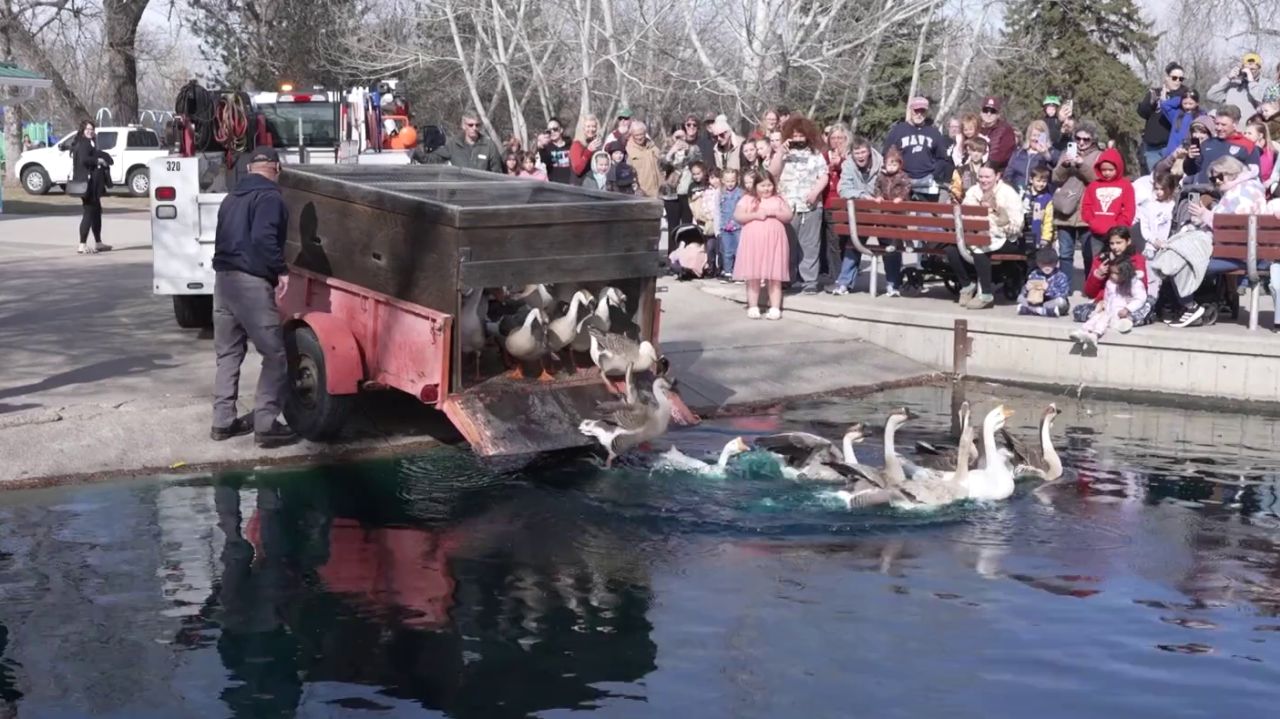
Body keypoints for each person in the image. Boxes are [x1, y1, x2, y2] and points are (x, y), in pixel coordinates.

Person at [210, 146, 296, 448]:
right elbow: (263, 238)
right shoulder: (271, 197)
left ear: (249, 170)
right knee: (274, 355)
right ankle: (266, 425)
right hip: (250, 284)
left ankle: (222, 422)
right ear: (276, 168)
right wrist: (281, 271)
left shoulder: (230, 198)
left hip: (223, 283)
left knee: (228, 354)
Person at [947, 162, 1023, 310]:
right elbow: (966, 215)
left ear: (997, 176)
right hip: (976, 235)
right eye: (981, 176)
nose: (983, 180)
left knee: (981, 247)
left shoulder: (1008, 193)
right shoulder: (973, 191)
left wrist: (996, 221)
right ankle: (967, 285)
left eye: (987, 177)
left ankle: (986, 294)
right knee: (951, 249)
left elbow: (1017, 225)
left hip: (1005, 239)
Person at [768, 115, 828, 294]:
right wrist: (780, 152)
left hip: (810, 206)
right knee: (788, 244)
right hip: (787, 206)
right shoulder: (782, 154)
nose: (798, 140)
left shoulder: (816, 154)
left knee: (810, 244)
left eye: (802, 136)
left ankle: (809, 281)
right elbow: (772, 173)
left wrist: (815, 192)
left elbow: (824, 175)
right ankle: (788, 278)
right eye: (795, 136)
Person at [733, 170, 793, 319]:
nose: (766, 189)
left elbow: (788, 216)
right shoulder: (748, 199)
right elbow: (738, 216)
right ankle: (753, 306)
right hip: (753, 242)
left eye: (769, 185)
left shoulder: (778, 199)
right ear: (755, 186)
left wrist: (775, 213)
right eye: (762, 185)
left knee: (774, 276)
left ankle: (774, 307)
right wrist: (755, 215)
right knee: (753, 276)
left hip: (774, 242)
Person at [1051, 123, 1102, 283]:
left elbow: (1097, 179)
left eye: (1085, 140)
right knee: (1065, 253)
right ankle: (1064, 286)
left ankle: (1089, 285)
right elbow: (1055, 179)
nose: (1081, 143)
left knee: (1088, 253)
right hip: (1065, 209)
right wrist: (1065, 165)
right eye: (1078, 138)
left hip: (1086, 210)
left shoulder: (1099, 156)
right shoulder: (1066, 153)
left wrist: (1082, 165)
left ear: (1092, 140)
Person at [833, 137, 884, 295]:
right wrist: (862, 195)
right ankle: (844, 282)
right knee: (853, 243)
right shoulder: (848, 165)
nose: (861, 156)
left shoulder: (881, 164)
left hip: (882, 210)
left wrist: (878, 197)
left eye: (863, 152)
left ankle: (893, 283)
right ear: (853, 154)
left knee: (889, 242)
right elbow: (843, 189)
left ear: (869, 151)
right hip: (862, 212)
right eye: (857, 153)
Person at [1075, 226, 1151, 324]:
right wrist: (1098, 275)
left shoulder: (1137, 259)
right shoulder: (1101, 260)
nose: (1115, 247)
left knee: (1148, 305)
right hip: (1106, 303)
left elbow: (1142, 287)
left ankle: (1127, 320)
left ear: (1128, 241)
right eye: (1112, 243)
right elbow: (1089, 293)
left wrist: (1125, 273)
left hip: (1129, 302)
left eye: (1119, 243)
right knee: (1079, 311)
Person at [882, 96, 953, 201]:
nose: (919, 114)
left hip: (926, 180)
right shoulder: (898, 130)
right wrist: (896, 173)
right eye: (916, 111)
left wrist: (933, 174)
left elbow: (942, 158)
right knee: (901, 214)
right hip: (902, 179)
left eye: (922, 111)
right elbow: (886, 154)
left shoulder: (934, 133)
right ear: (911, 110)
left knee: (926, 215)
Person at [1069, 258, 1147, 349]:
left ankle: (1095, 335)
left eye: (1116, 273)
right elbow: (1107, 297)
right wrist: (1103, 305)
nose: (1113, 276)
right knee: (1096, 317)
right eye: (1111, 273)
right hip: (1109, 309)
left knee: (1104, 319)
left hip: (1121, 313)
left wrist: (1128, 309)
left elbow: (1140, 299)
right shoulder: (1110, 283)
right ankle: (1083, 331)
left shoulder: (1134, 284)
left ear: (1125, 274)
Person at [1183, 105, 1261, 183]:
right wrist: (1190, 158)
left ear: (1235, 124)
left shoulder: (1248, 146)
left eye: (1223, 125)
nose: (1219, 128)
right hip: (1202, 191)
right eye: (1217, 124)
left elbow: (1253, 176)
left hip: (1229, 193)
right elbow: (1190, 171)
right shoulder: (1207, 144)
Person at [70, 120, 113, 254]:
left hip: (91, 184)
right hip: (88, 185)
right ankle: (82, 245)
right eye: (88, 129)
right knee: (89, 213)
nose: (90, 131)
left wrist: (102, 156)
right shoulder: (84, 143)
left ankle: (98, 242)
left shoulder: (87, 143)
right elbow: (84, 159)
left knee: (96, 213)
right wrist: (98, 160)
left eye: (92, 129)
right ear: (83, 130)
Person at [1138, 63, 1187, 173]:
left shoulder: (1184, 97)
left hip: (1171, 147)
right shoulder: (1155, 93)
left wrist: (1166, 103)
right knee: (1155, 178)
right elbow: (1142, 113)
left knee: (1170, 180)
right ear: (1167, 78)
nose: (1177, 81)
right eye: (1174, 78)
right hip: (1152, 147)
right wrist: (1151, 103)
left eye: (1181, 79)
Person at [1081, 147, 1135, 243]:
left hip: (1117, 235)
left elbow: (1129, 208)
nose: (1107, 173)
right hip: (1096, 233)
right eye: (1103, 170)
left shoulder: (1125, 185)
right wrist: (1092, 222)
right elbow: (1086, 206)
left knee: (1117, 257)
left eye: (1111, 170)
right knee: (1097, 258)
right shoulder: (1093, 185)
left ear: (1118, 167)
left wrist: (1120, 225)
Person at [420, 113, 503, 172]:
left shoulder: (489, 145)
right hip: (461, 192)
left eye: (477, 125)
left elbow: (497, 172)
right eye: (470, 125)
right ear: (463, 126)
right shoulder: (454, 144)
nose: (474, 128)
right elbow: (430, 160)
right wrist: (413, 151)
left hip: (483, 193)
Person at [1208, 52, 1265, 120]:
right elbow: (1211, 95)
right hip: (1230, 128)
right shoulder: (1234, 84)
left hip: (1250, 128)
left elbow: (1261, 99)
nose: (1249, 72)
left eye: (1252, 69)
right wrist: (1228, 78)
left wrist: (1251, 81)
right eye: (1246, 68)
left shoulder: (1265, 84)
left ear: (1259, 69)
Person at [1003, 120, 1056, 192]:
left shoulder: (1051, 153)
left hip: (1040, 194)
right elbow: (1008, 175)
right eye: (1034, 135)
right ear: (1029, 136)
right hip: (1017, 191)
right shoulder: (1019, 153)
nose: (1036, 139)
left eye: (1039, 136)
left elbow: (1056, 171)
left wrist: (1046, 155)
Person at [1017, 246, 1071, 317]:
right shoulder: (1034, 274)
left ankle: (1033, 310)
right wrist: (1026, 289)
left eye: (1050, 263)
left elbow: (1063, 294)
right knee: (1020, 298)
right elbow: (1024, 292)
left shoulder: (1061, 276)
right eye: (1043, 264)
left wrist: (1048, 290)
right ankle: (1043, 311)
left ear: (1056, 263)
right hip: (1035, 301)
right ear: (1038, 263)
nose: (1047, 267)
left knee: (1061, 302)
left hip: (1051, 302)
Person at [1135, 172, 1177, 257]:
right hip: (1151, 248)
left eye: (1162, 189)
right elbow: (1145, 228)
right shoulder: (1148, 205)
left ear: (1170, 189)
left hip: (1170, 249)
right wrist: (1154, 241)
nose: (1159, 192)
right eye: (1156, 189)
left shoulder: (1174, 206)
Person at [1160, 88, 1204, 158]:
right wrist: (1179, 99)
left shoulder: (1201, 116)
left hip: (1188, 154)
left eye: (1191, 104)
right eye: (1185, 103)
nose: (1187, 106)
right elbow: (1164, 105)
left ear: (1197, 103)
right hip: (1171, 154)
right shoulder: (1176, 114)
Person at [718, 168, 745, 280]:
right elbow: (719, 210)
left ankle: (739, 272)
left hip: (737, 226)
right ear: (723, 181)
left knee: (739, 250)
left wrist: (734, 221)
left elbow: (741, 209)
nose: (730, 184)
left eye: (732, 181)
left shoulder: (740, 193)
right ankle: (728, 271)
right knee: (727, 250)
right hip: (725, 227)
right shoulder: (721, 193)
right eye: (728, 181)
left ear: (737, 180)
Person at [977, 96, 1017, 169]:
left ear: (998, 114)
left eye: (993, 111)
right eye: (985, 110)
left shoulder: (1006, 130)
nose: (989, 114)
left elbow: (1002, 155)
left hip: (995, 170)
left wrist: (987, 167)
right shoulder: (975, 127)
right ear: (981, 112)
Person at [1022, 165, 1055, 252]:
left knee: (1036, 259)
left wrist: (1046, 238)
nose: (1041, 184)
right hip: (1022, 233)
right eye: (1038, 181)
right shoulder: (1023, 195)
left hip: (1038, 235)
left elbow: (1049, 220)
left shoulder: (1047, 198)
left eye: (1044, 181)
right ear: (1031, 180)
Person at [626, 121, 661, 197]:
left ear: (645, 133)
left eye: (641, 134)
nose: (639, 137)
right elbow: (629, 176)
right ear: (631, 135)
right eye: (636, 135)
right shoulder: (628, 151)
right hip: (643, 197)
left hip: (659, 194)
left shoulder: (653, 147)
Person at [951, 137, 990, 202]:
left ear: (984, 153)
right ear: (969, 151)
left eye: (979, 151)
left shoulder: (989, 171)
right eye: (974, 151)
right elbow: (955, 194)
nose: (976, 154)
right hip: (966, 207)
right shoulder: (961, 171)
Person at [569, 113, 604, 184]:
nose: (591, 129)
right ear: (583, 128)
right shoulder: (577, 145)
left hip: (594, 185)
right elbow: (578, 170)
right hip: (579, 186)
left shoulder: (597, 144)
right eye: (588, 126)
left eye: (594, 126)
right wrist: (588, 151)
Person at [536, 118, 573, 183]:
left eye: (555, 129)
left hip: (571, 185)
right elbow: (544, 160)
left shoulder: (571, 145)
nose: (552, 132)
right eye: (549, 131)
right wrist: (541, 148)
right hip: (555, 186)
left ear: (561, 130)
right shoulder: (546, 148)